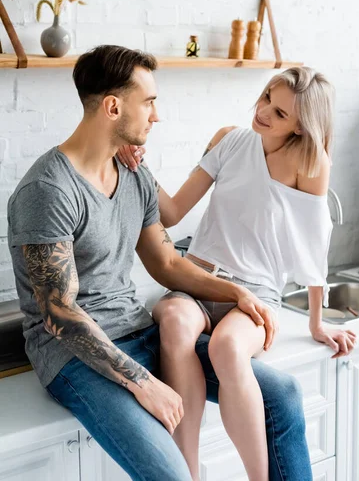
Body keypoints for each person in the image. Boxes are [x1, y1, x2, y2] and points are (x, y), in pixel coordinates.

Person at [7, 46, 315, 481]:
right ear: (114, 107)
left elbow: (167, 262)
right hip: (75, 358)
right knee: (172, 474)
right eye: (149, 102)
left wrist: (237, 293)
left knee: (282, 396)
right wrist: (144, 383)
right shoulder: (48, 190)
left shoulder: (132, 172)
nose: (156, 115)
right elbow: (59, 314)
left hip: (137, 332)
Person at [117, 66, 357, 481]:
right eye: (266, 97)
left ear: (302, 126)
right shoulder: (230, 141)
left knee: (226, 349)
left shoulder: (310, 162)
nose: (263, 111)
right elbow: (172, 212)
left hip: (255, 291)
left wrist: (318, 322)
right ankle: (186, 473)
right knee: (173, 323)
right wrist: (140, 165)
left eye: (280, 113)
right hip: (195, 277)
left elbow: (315, 243)